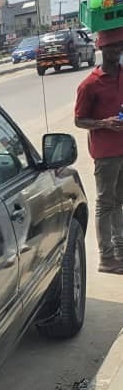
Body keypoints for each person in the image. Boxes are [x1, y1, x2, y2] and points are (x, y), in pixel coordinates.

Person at [74, 26, 123, 274]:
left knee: (119, 202)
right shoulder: (90, 85)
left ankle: (119, 251)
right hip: (106, 153)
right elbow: (79, 120)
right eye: (112, 46)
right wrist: (104, 123)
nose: (117, 49)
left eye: (120, 45)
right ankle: (106, 257)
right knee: (106, 203)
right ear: (101, 48)